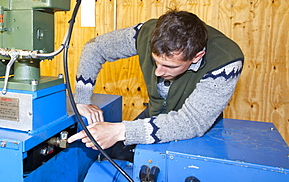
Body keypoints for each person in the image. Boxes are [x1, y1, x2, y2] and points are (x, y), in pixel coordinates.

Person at [67, 9, 244, 156]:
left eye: (169, 66)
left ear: (197, 56)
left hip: (196, 125)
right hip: (155, 113)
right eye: (155, 61)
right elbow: (95, 48)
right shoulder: (146, 33)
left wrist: (120, 131)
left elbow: (192, 122)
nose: (158, 72)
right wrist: (82, 100)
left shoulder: (226, 60)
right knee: (114, 156)